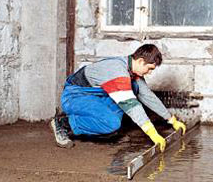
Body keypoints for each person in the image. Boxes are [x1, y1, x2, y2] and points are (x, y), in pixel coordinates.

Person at [50, 44, 186, 150]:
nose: (149, 73)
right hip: (75, 96)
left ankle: (105, 129)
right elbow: (131, 106)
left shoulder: (131, 70)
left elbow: (148, 96)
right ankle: (63, 124)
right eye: (149, 68)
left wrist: (171, 120)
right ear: (140, 61)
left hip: (94, 96)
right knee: (111, 123)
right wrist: (153, 133)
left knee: (135, 88)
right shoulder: (118, 71)